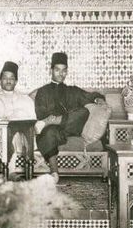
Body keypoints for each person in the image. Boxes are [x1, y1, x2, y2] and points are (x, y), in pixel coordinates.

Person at [34, 52, 105, 181]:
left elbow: (90, 95)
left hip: (69, 129)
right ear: (51, 71)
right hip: (52, 131)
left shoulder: (72, 91)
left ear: (67, 72)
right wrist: (48, 121)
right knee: (49, 132)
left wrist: (99, 98)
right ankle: (54, 173)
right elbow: (40, 113)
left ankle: (51, 121)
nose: (61, 74)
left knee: (84, 112)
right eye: (57, 70)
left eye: (64, 70)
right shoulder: (43, 91)